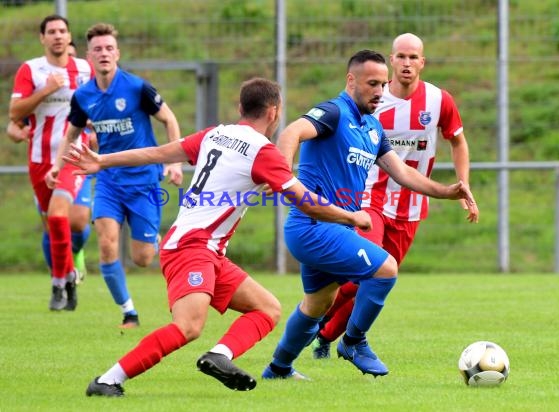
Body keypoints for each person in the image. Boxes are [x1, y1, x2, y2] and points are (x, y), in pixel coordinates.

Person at [62, 77, 373, 396]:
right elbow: (307, 203)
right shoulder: (263, 152)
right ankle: (107, 380)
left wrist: (102, 160)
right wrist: (351, 216)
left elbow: (159, 153)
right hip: (191, 247)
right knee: (188, 326)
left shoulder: (217, 133)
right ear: (274, 112)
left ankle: (219, 356)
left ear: (241, 107)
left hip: (206, 251)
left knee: (267, 308)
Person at [261, 49, 477, 380]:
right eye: (371, 83)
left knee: (317, 305)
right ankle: (353, 341)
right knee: (385, 269)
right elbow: (292, 132)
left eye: (382, 84)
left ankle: (278, 368)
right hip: (313, 225)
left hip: (333, 229)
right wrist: (282, 173)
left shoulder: (372, 128)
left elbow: (402, 172)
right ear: (351, 80)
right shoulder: (333, 112)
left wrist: (447, 191)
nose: (379, 91)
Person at [310, 33, 480, 359]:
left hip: (411, 206)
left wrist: (463, 185)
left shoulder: (438, 100)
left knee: (375, 280)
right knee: (369, 266)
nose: (406, 63)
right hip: (370, 197)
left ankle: (326, 335)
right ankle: (316, 311)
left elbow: (457, 141)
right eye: (401, 56)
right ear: (391, 60)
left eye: (413, 57)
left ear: (422, 62)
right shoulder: (374, 98)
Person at [47, 22, 184, 328]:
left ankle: (156, 240)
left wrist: (174, 163)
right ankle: (129, 313)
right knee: (107, 244)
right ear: (89, 56)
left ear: (117, 54)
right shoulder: (83, 96)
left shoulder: (137, 88)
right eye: (98, 49)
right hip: (108, 181)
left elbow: (169, 118)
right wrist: (58, 165)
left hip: (144, 181)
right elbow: (71, 134)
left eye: (109, 48)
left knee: (143, 258)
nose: (104, 53)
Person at [8, 15, 94, 311]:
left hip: (74, 156)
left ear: (69, 37)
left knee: (68, 219)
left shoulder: (85, 69)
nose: (58, 36)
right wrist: (46, 89)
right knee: (53, 223)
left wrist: (95, 132)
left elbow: (99, 104)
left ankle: (60, 283)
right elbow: (14, 112)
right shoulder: (31, 70)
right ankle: (66, 279)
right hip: (39, 160)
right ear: (42, 38)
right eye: (52, 32)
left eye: (63, 31)